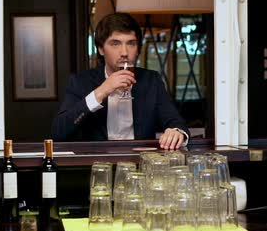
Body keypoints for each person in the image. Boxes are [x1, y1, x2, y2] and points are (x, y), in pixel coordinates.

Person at [51, 12, 189, 150]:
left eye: (131, 44)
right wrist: (101, 91)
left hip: (139, 165)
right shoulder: (81, 82)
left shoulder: (151, 80)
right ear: (101, 49)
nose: (124, 52)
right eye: (115, 44)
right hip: (97, 165)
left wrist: (176, 131)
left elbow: (175, 121)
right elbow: (59, 132)